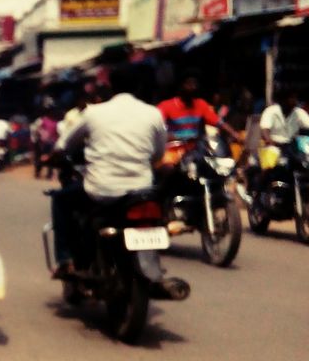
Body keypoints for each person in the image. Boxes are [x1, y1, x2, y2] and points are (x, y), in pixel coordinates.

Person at [49, 69, 185, 297]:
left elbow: (63, 145)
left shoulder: (94, 113)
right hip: (141, 190)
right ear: (139, 88)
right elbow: (158, 154)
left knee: (60, 200)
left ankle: (65, 261)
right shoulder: (153, 114)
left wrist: (54, 156)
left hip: (101, 191)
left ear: (110, 87)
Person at [158, 73, 231, 144]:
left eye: (195, 84)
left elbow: (220, 123)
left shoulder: (201, 104)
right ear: (181, 86)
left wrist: (235, 134)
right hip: (174, 149)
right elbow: (155, 129)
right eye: (189, 84)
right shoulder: (166, 106)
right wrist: (174, 137)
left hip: (195, 148)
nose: (193, 87)